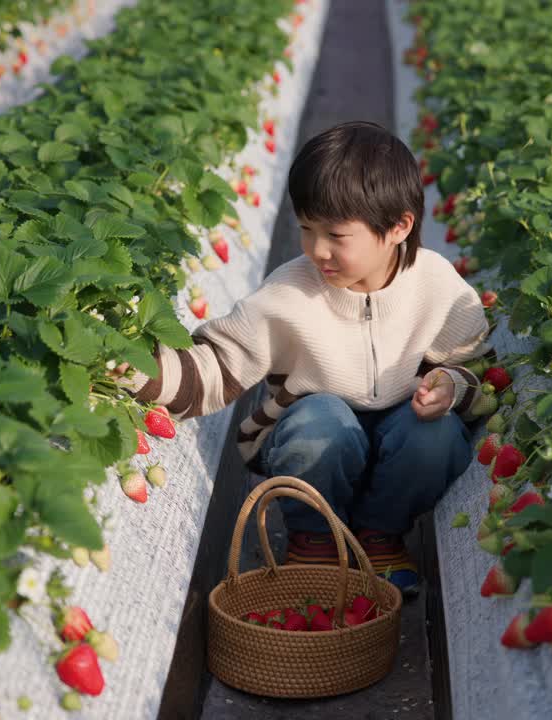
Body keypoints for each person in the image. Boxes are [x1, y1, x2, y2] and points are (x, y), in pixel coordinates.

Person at [118, 120, 491, 596]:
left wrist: (450, 387)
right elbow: (214, 366)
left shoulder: (437, 285)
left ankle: (380, 534)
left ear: (399, 226)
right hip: (315, 444)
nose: (318, 250)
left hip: (400, 438)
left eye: (336, 234)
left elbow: (475, 367)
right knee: (322, 421)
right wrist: (133, 365)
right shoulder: (289, 293)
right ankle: (313, 538)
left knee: (436, 435)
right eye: (306, 229)